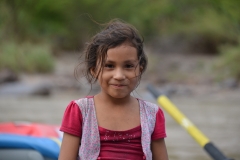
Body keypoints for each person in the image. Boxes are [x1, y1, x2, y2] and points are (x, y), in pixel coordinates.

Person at [58, 19, 168, 160]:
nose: (119, 76)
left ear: (139, 69)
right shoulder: (80, 111)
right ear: (94, 70)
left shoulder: (152, 114)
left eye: (128, 66)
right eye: (109, 66)